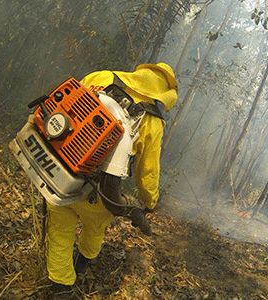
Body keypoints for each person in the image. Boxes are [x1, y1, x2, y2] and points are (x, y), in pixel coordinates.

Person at [46, 63, 178, 299]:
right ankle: (81, 264)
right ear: (164, 91)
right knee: (95, 229)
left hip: (60, 174)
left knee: (60, 234)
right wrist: (150, 202)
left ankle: (61, 287)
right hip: (101, 192)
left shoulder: (101, 76)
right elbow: (147, 171)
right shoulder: (153, 122)